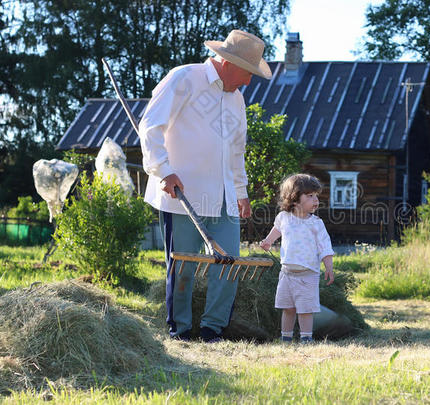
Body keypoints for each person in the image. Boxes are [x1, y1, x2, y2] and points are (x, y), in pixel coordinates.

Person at [138, 30, 272, 342]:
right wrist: (163, 170)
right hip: (182, 195)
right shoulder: (183, 79)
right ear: (228, 62)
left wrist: (241, 192)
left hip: (224, 198)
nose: (248, 82)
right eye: (247, 73)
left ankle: (213, 329)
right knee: (182, 267)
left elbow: (236, 151)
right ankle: (180, 330)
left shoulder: (236, 99)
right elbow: (150, 126)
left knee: (229, 265)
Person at [260, 174, 335, 343]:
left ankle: (306, 338)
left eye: (316, 196)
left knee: (306, 310)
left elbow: (325, 248)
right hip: (286, 273)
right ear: (294, 198)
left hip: (308, 274)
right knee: (287, 308)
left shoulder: (316, 223)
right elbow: (277, 230)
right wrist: (268, 242)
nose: (315, 200)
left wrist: (329, 267)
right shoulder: (284, 218)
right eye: (310, 196)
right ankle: (285, 337)